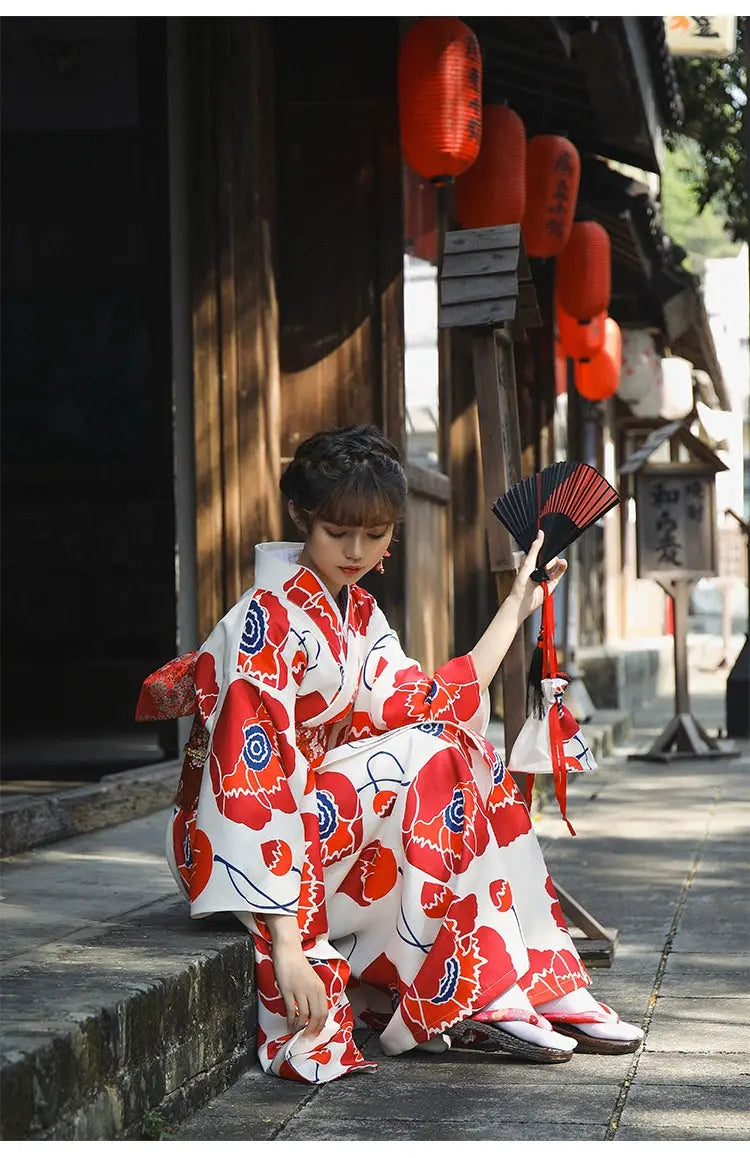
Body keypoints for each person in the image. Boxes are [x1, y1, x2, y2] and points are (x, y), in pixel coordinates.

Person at [149, 424, 643, 1084]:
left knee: (461, 748)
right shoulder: (262, 622)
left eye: (374, 534)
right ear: (302, 516)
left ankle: (537, 973)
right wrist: (288, 946)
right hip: (248, 845)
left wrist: (521, 599)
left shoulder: (359, 616)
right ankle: (476, 990)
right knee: (429, 757)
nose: (356, 550)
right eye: (337, 531)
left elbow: (434, 701)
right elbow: (252, 783)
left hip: (318, 826)